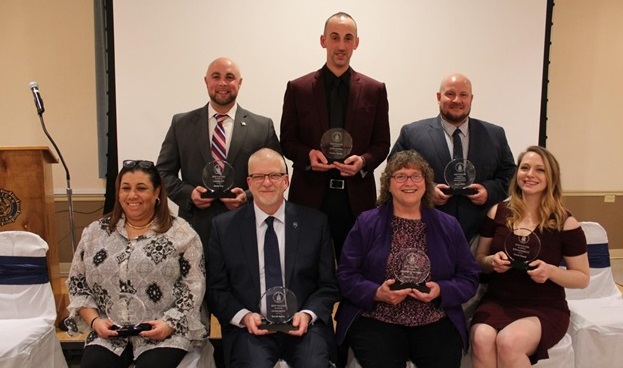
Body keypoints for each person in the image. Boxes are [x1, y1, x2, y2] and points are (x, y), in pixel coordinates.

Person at [335, 150, 480, 368]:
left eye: (416, 176)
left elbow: (469, 277)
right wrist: (377, 293)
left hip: (434, 316)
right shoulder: (367, 223)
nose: (409, 183)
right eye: (400, 176)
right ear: (388, 184)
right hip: (378, 317)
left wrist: (441, 290)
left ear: (427, 184)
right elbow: (346, 275)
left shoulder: (448, 225)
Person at [64, 159, 207, 368]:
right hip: (110, 331)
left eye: (141, 188)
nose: (132, 195)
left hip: (162, 331)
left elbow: (194, 287)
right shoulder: (95, 232)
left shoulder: (182, 234)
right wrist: (96, 322)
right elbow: (77, 283)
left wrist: (168, 323)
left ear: (157, 193)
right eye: (125, 188)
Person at [206, 148, 339, 368]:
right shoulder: (224, 227)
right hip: (251, 328)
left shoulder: (315, 223)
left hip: (304, 326)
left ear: (286, 181)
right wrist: (244, 316)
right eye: (259, 176)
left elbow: (328, 285)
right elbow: (216, 289)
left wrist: (309, 314)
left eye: (275, 175)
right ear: (248, 183)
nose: (267, 183)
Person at [470, 146, 589, 368]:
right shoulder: (497, 212)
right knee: (480, 338)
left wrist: (551, 271)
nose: (530, 174)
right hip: (499, 300)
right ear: (517, 173)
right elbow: (479, 260)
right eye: (524, 168)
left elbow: (582, 278)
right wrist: (491, 262)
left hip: (544, 307)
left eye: (539, 170)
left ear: (551, 178)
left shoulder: (566, 223)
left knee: (509, 341)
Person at [280, 12, 390, 261]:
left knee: (354, 268)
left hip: (356, 198)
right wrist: (308, 155)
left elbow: (382, 143)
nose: (341, 45)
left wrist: (363, 161)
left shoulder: (375, 90)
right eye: (335, 37)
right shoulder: (298, 88)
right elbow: (287, 140)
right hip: (309, 195)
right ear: (323, 40)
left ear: (356, 43)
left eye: (348, 38)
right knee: (306, 268)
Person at [157, 57, 281, 254]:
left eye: (230, 77)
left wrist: (247, 196)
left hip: (246, 226)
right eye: (216, 77)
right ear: (206, 81)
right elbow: (162, 172)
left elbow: (276, 176)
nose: (223, 83)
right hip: (195, 228)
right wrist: (189, 194)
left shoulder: (262, 127)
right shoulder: (181, 124)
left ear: (240, 83)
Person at [389, 73, 515, 242]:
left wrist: (489, 191)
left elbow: (510, 174)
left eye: (463, 95)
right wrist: (426, 190)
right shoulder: (412, 134)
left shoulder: (495, 135)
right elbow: (393, 172)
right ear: (439, 97)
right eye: (450, 94)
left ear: (471, 98)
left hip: (479, 234)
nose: (457, 100)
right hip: (426, 231)